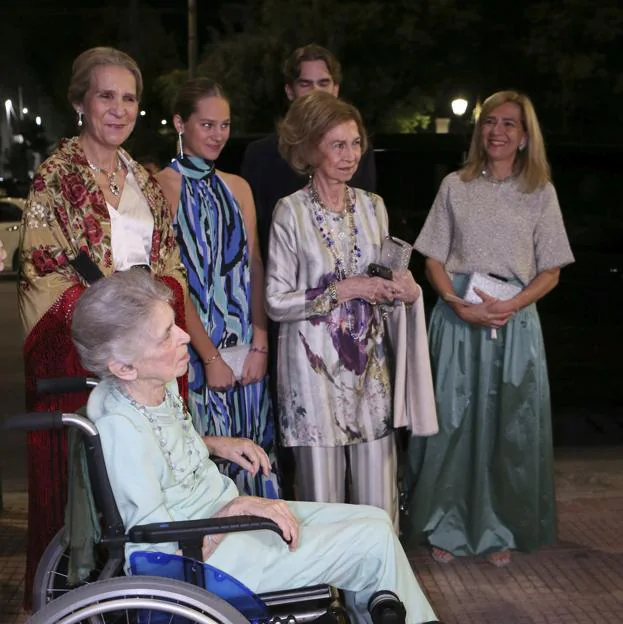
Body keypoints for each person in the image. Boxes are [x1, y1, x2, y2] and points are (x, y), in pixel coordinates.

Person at [70, 269, 439, 624]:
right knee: (373, 542)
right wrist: (232, 512)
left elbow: (163, 448)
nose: (185, 336)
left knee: (374, 518)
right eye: (166, 336)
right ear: (123, 368)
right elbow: (152, 544)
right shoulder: (121, 429)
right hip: (203, 561)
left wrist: (215, 444)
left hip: (220, 522)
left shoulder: (153, 385)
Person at [17, 46, 186, 606]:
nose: (119, 109)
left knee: (147, 484)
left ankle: (152, 591)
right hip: (87, 352)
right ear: (80, 103)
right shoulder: (56, 179)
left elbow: (170, 266)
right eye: (106, 95)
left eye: (129, 97)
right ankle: (77, 599)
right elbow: (42, 272)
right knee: (90, 486)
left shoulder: (142, 177)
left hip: (144, 355)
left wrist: (155, 316)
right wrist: (111, 315)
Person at [404, 91, 575, 567]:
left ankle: (499, 527)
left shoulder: (540, 192)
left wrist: (509, 305)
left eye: (509, 125)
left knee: (508, 428)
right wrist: (458, 303)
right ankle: (443, 521)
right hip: (458, 321)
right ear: (479, 130)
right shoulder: (455, 185)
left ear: (524, 137)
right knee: (449, 425)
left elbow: (552, 270)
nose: (497, 131)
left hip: (513, 324)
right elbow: (433, 257)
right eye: (490, 122)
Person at [265, 91, 434, 527]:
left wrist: (401, 289)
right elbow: (276, 301)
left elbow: (384, 276)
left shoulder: (373, 207)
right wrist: (345, 289)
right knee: (323, 509)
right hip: (311, 375)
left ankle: (380, 594)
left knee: (380, 505)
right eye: (337, 144)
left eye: (356, 143)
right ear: (309, 148)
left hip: (369, 375)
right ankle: (327, 596)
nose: (350, 155)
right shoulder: (291, 213)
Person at [157, 78, 279, 498]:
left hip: (247, 354)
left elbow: (256, 266)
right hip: (195, 354)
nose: (218, 135)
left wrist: (261, 342)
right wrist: (209, 358)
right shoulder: (161, 188)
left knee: (257, 457)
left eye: (224, 125)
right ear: (180, 123)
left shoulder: (239, 187)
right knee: (208, 465)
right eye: (207, 124)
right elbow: (175, 283)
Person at [241, 43, 377, 265]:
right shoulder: (260, 154)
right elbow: (253, 240)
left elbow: (364, 222)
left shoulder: (359, 149)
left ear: (336, 89)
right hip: (282, 284)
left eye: (323, 83)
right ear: (290, 91)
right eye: (306, 84)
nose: (315, 92)